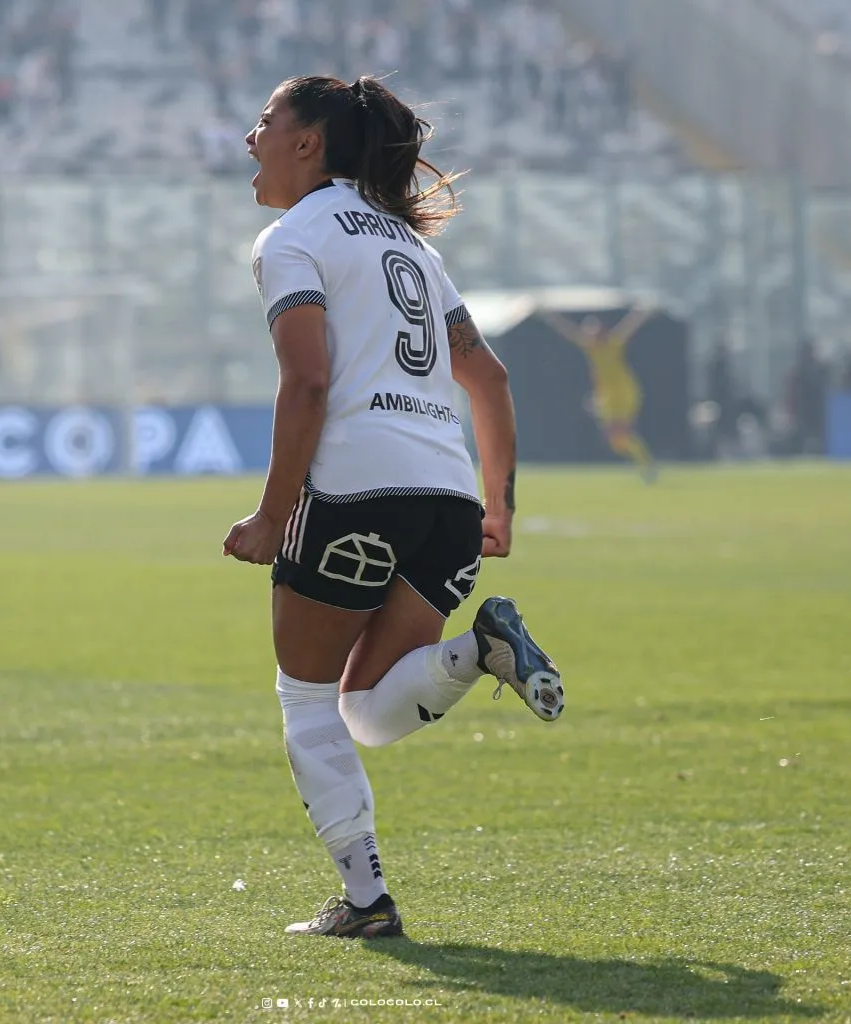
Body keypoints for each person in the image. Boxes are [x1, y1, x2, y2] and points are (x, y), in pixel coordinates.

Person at [223, 74, 564, 940]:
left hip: (353, 487)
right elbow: (487, 377)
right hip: (445, 496)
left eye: (264, 122)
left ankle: (369, 905)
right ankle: (481, 650)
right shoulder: (414, 249)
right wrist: (500, 506)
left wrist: (270, 517)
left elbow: (307, 381)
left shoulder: (292, 238)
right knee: (367, 713)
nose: (248, 139)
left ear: (308, 142)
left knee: (306, 702)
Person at [539, 306, 656, 480]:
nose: (592, 334)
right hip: (606, 394)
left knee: (623, 431)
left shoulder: (614, 342)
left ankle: (648, 467)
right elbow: (569, 331)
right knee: (615, 438)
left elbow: (630, 325)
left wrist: (642, 311)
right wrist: (550, 317)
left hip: (624, 390)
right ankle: (642, 463)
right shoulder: (590, 347)